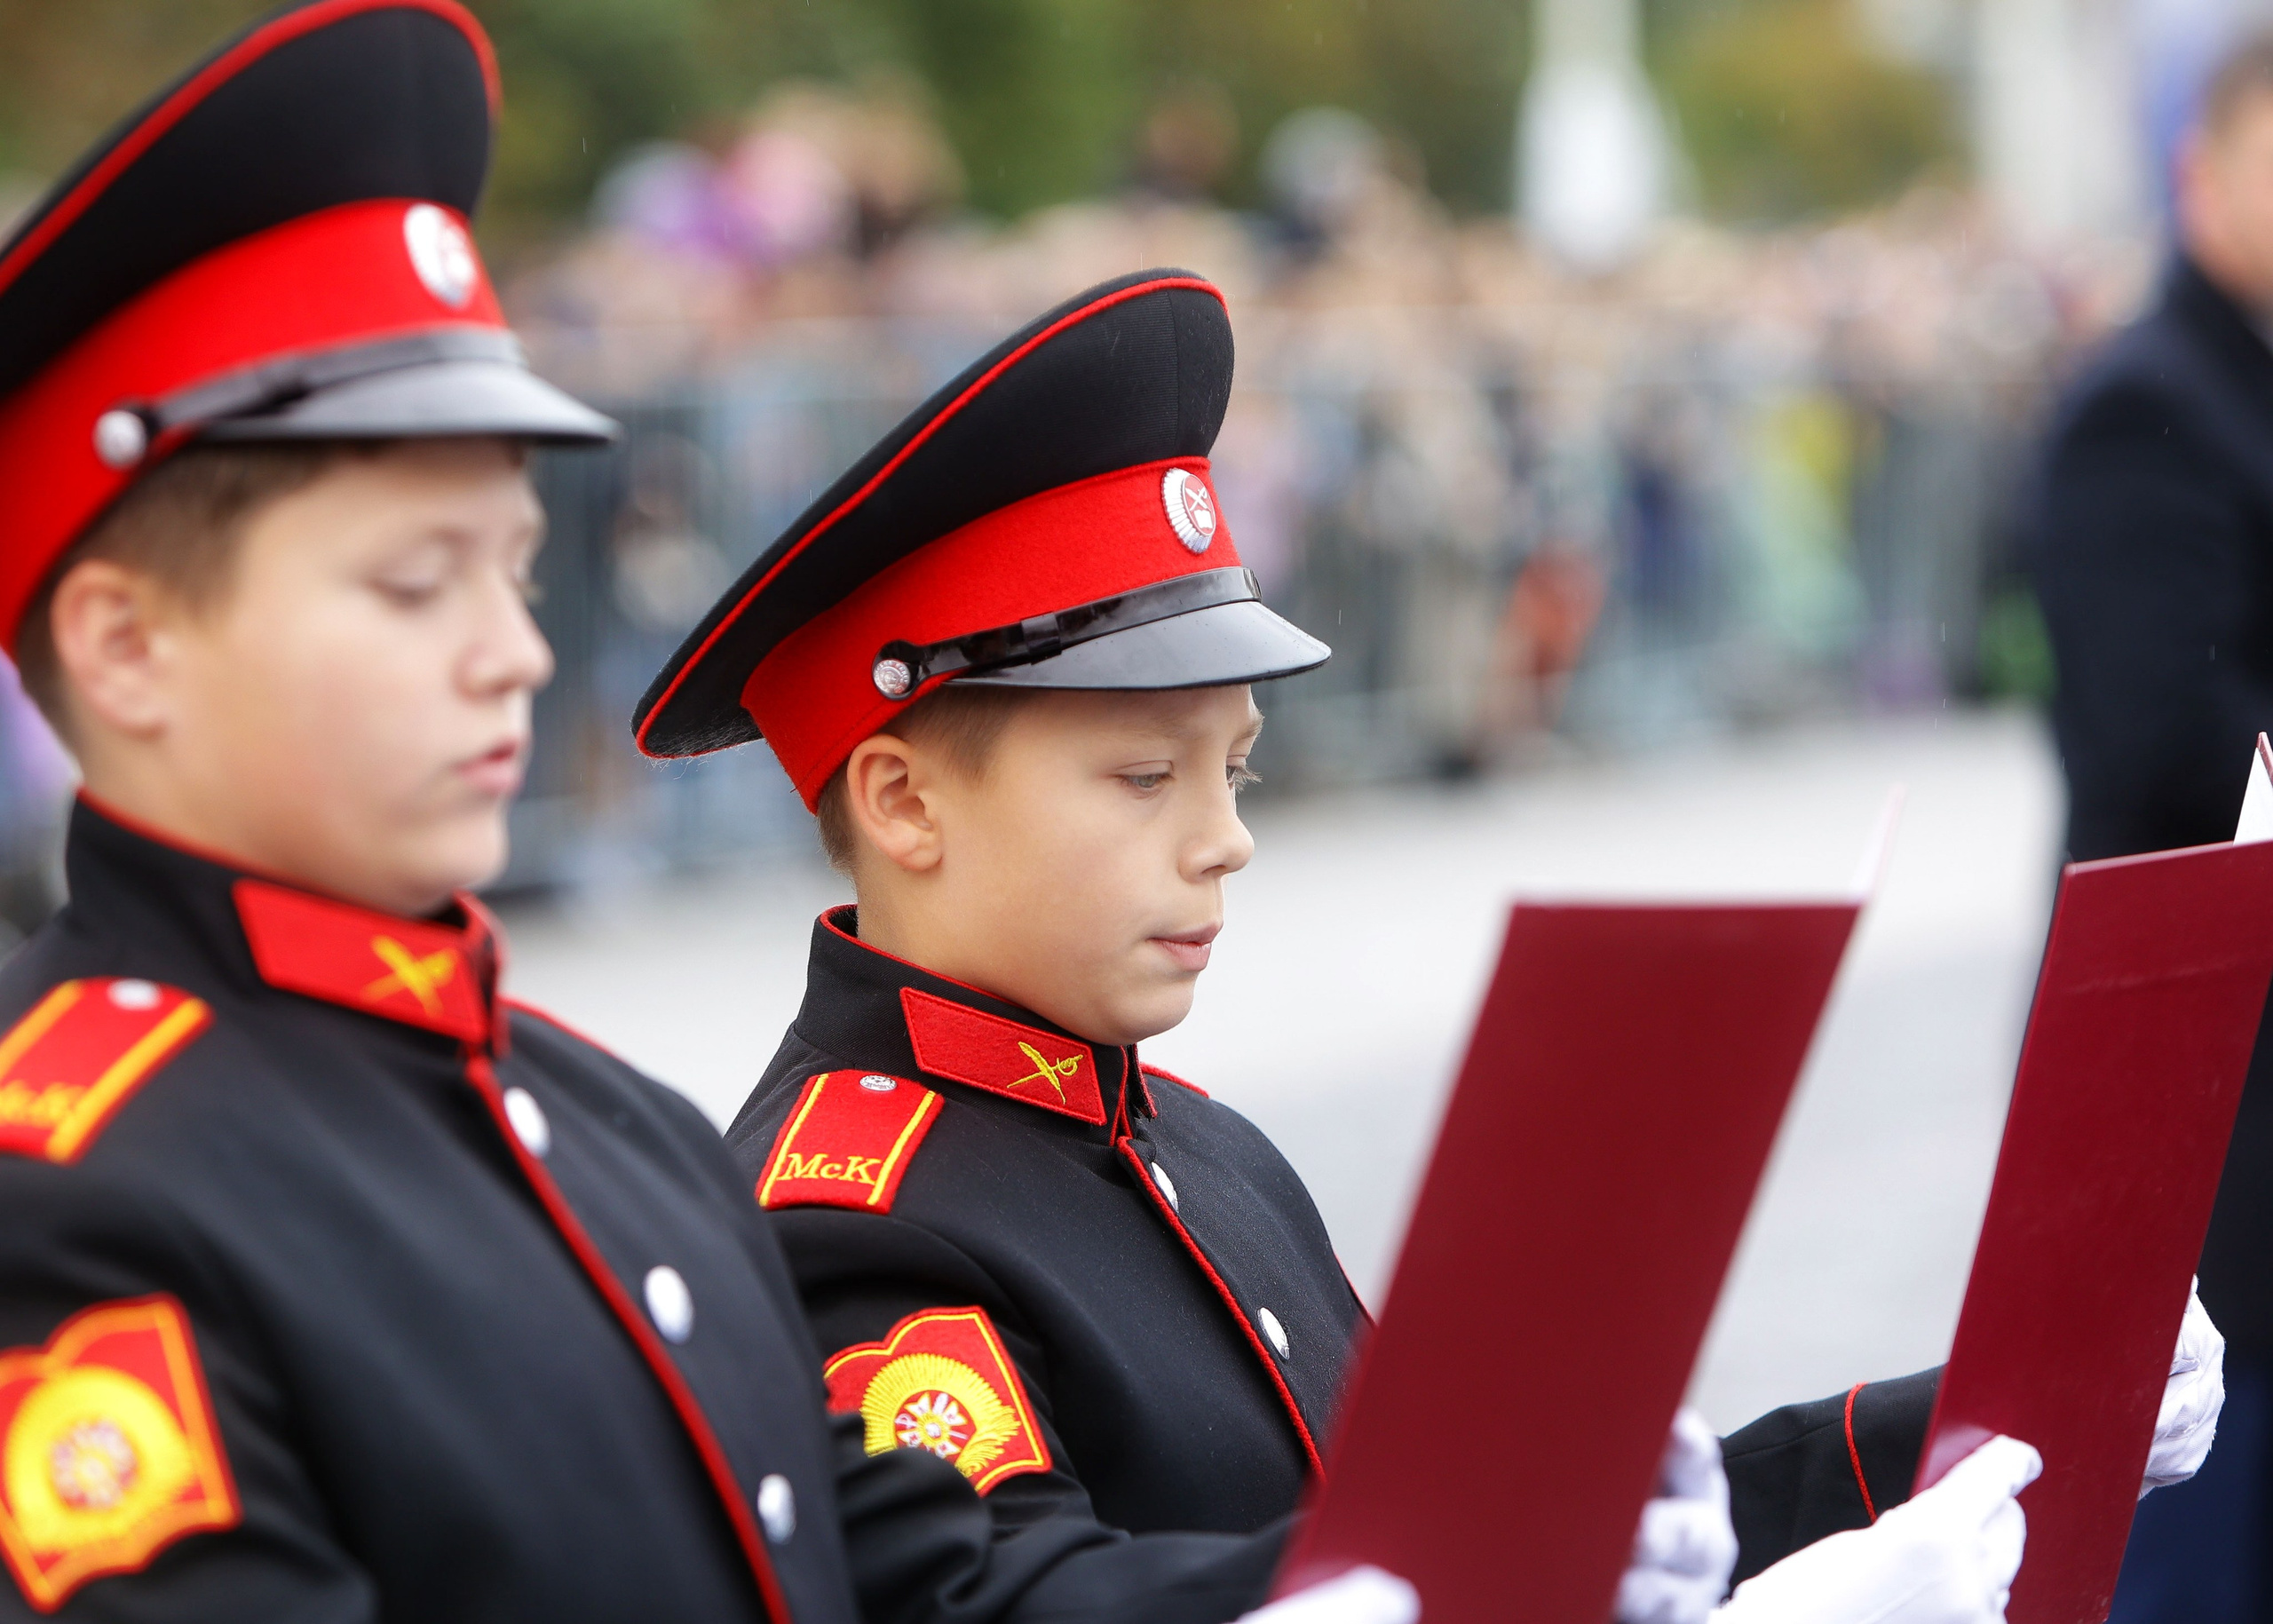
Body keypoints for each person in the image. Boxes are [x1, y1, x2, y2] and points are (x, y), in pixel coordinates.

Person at [0, 9, 1421, 1622]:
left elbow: (899, 1574)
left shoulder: (611, 1128)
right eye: (415, 582)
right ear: (126, 645)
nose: (516, 651)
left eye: (518, 573)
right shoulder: (61, 1188)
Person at [632, 266, 2200, 1619]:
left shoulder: (1199, 1146)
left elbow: (1475, 1515)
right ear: (902, 801)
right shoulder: (853, 1217)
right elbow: (1020, 1598)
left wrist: (1966, 1437)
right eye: (1142, 775)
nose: (1222, 832)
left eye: (1232, 767)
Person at [2031, 29, 2273, 1624]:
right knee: (2193, 1543)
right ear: (2201, 168)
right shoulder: (2147, 400)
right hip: (2211, 1112)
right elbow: (2173, 745)